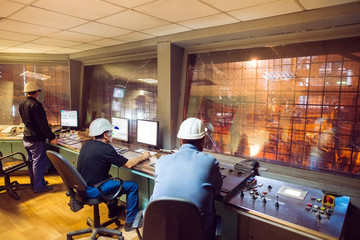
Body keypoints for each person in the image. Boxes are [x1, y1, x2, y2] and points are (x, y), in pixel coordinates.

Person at [150, 118, 223, 239]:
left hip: (162, 232)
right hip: (196, 234)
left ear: (181, 140)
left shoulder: (161, 161)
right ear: (202, 140)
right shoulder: (210, 163)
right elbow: (216, 192)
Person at [77, 118, 150, 232]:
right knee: (132, 186)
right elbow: (129, 164)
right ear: (105, 135)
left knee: (109, 177)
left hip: (81, 186)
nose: (112, 135)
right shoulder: (106, 149)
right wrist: (143, 156)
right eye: (111, 133)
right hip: (93, 189)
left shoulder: (87, 144)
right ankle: (131, 222)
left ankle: (113, 210)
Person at [19, 81, 56, 193]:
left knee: (31, 162)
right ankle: (39, 187)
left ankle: (35, 183)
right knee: (38, 163)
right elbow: (43, 126)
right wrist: (52, 137)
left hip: (26, 138)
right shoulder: (36, 105)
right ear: (36, 92)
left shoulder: (22, 104)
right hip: (36, 140)